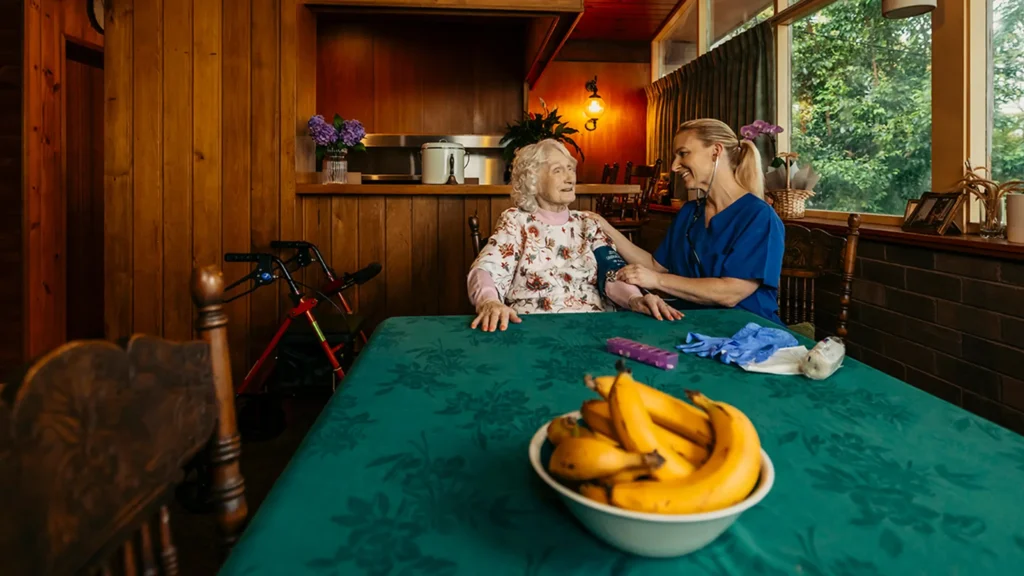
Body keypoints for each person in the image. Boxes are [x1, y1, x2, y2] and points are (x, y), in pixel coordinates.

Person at [467, 139, 682, 332]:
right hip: (532, 328)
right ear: (532, 180)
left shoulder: (588, 223)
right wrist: (489, 301)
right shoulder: (516, 221)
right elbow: (487, 268)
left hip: (591, 327)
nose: (570, 177)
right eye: (558, 170)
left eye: (571, 169)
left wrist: (635, 298)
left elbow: (612, 272)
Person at [590, 119, 785, 324]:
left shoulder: (759, 217)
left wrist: (657, 281)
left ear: (716, 151)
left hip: (747, 333)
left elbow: (731, 293)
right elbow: (656, 266)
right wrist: (603, 225)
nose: (674, 166)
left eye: (683, 154)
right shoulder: (691, 212)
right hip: (692, 325)